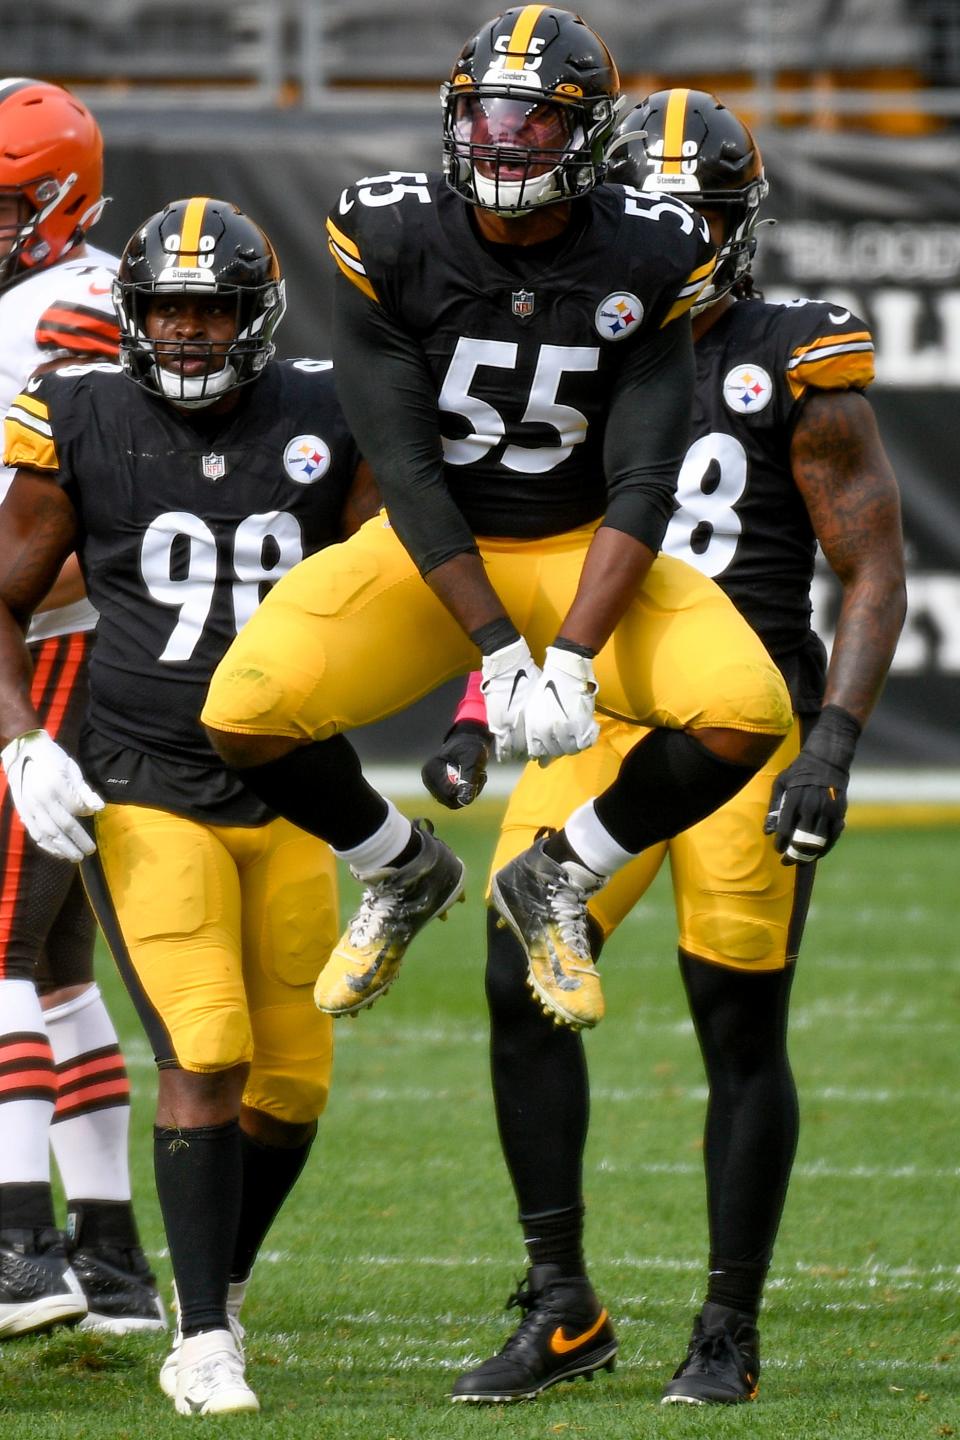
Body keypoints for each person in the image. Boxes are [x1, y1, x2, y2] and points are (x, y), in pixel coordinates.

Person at [423, 88, 907, 1406]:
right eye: (661, 214)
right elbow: (514, 550)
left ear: (743, 228)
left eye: (709, 216)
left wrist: (836, 746)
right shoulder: (560, 345)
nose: (684, 237)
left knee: (737, 1021)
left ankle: (728, 1325)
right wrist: (478, 710)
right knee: (520, 963)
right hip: (605, 719)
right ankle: (563, 1305)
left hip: (745, 730)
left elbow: (870, 571)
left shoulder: (791, 352)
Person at [198, 8, 791, 1043]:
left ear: (592, 138)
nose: (503, 139)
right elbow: (408, 471)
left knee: (748, 708)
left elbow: (646, 474)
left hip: (585, 544)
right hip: (436, 554)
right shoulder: (390, 231)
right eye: (487, 112)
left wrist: (572, 653)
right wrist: (499, 654)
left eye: (535, 120)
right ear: (452, 112)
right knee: (243, 712)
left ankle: (560, 873)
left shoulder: (650, 249)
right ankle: (399, 868)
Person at [0, 197, 380, 1413]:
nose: (185, 331)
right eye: (164, 307)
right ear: (131, 315)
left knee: (293, 1084)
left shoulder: (328, 409)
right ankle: (202, 1336)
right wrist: (20, 743)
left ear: (255, 315)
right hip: (145, 775)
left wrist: (478, 686)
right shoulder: (83, 411)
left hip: (291, 786)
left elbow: (408, 570)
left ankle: (215, 1283)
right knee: (206, 1047)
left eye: (209, 308)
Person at [0, 75, 163, 1338]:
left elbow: (105, 498)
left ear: (56, 203)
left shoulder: (76, 306)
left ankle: (19, 1247)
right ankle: (108, 1259)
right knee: (53, 954)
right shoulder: (46, 294)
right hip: (50, 631)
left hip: (52, 633)